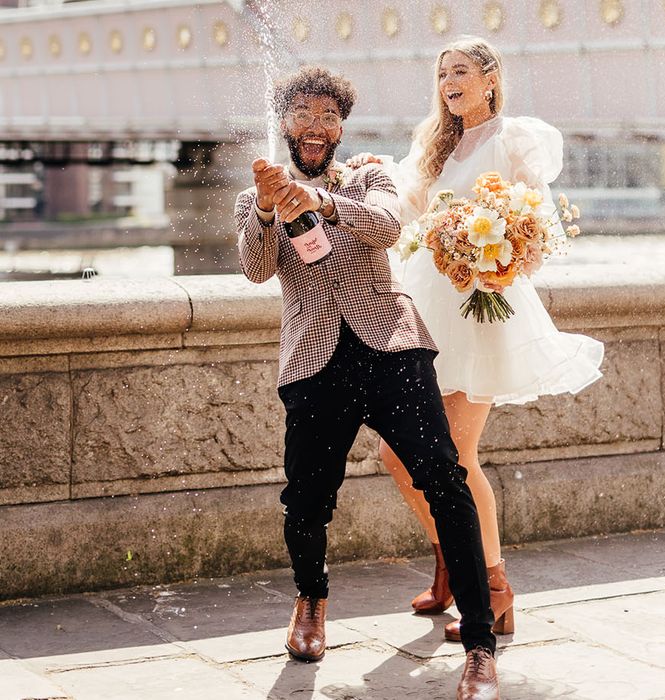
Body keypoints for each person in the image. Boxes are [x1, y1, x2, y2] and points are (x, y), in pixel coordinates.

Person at [236, 65, 501, 699]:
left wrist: (321, 202)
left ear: (341, 127)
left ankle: (482, 645)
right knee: (306, 498)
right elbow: (253, 268)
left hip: (391, 350)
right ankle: (310, 605)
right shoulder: (256, 196)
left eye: (329, 116)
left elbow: (387, 225)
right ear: (286, 123)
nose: (317, 126)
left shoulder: (367, 176)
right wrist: (273, 210)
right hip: (314, 364)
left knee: (445, 478)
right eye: (304, 114)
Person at [350, 36, 604, 643]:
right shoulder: (433, 145)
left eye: (459, 71)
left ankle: (492, 594)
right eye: (441, 74)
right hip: (423, 309)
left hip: (482, 316)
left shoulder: (515, 138)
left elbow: (537, 231)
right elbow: (405, 212)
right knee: (394, 455)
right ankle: (451, 562)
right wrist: (367, 174)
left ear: (491, 77)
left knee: (457, 459)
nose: (447, 83)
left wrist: (504, 258)